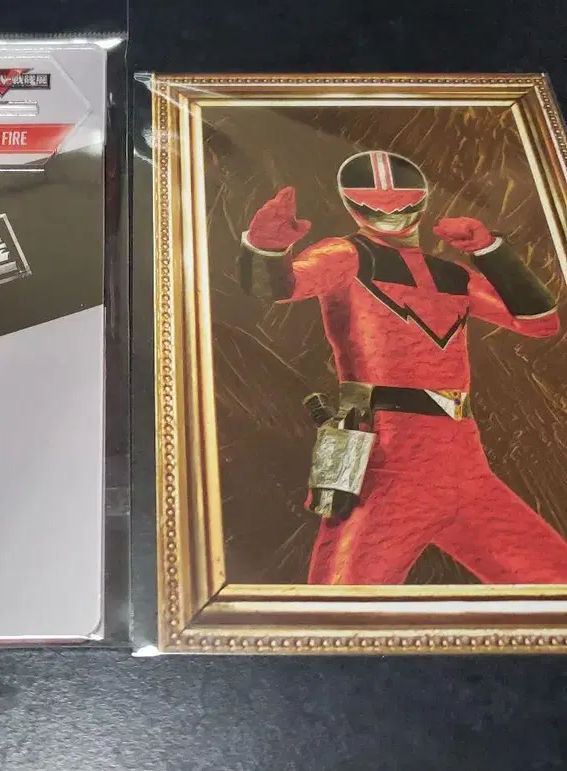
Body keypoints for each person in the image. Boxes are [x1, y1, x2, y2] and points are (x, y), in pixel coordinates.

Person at [241, 149, 567, 585]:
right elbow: (279, 287)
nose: (394, 217)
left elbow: (541, 324)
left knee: (556, 585)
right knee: (338, 609)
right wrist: (266, 246)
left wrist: (491, 251)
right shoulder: (345, 256)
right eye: (380, 209)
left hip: (465, 465)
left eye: (405, 207)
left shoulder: (453, 275)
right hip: (384, 463)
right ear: (354, 207)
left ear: (423, 202)